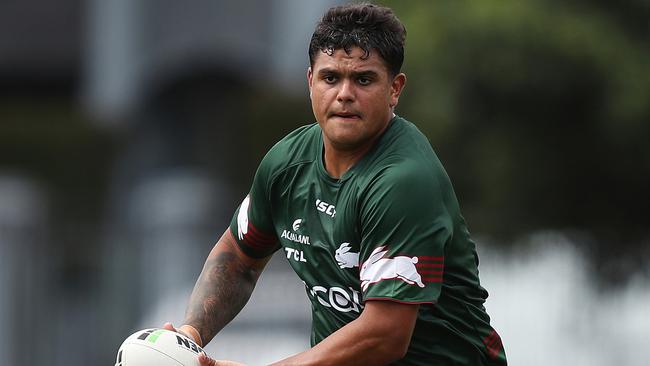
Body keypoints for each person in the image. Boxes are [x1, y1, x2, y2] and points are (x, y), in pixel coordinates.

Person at [164, 3, 507, 365]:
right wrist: (191, 334)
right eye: (331, 78)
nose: (344, 94)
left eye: (363, 79)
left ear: (395, 89)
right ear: (310, 81)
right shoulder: (286, 164)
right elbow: (238, 259)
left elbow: (384, 336)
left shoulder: (403, 181)